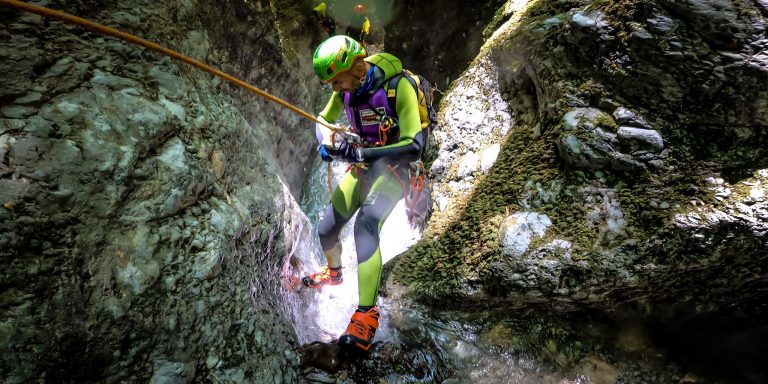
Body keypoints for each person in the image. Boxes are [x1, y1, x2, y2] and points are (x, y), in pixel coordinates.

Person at [303, 35, 426, 355]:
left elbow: (415, 145)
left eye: (337, 80)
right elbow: (324, 118)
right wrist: (325, 142)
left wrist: (359, 155)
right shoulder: (347, 90)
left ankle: (366, 314)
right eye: (330, 83)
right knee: (326, 229)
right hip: (364, 167)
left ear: (357, 68)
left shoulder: (399, 87)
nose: (334, 88)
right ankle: (334, 273)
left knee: (366, 224)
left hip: (397, 170)